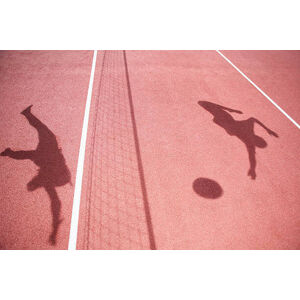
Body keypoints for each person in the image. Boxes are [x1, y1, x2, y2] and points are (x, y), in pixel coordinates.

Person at [1, 105, 71, 244]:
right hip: (48, 155)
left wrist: (55, 230)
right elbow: (55, 202)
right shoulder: (46, 180)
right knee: (38, 138)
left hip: (48, 153)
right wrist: (55, 230)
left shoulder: (46, 179)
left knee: (37, 137)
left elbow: (55, 202)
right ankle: (26, 115)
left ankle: (27, 115)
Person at [198, 101, 278, 179]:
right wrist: (268, 129)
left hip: (226, 122)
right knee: (203, 103)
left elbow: (252, 157)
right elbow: (253, 119)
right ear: (257, 140)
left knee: (205, 105)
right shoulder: (249, 134)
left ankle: (224, 114)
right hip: (226, 121)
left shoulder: (249, 137)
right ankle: (224, 113)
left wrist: (268, 129)